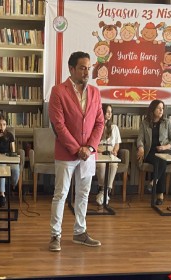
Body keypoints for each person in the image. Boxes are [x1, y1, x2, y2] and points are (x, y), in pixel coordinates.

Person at [48, 51, 104, 252]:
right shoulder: (58, 91)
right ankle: (55, 235)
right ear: (71, 69)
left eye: (89, 68)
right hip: (66, 153)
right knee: (61, 194)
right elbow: (58, 125)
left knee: (83, 194)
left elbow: (99, 122)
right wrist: (76, 149)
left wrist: (89, 148)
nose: (87, 72)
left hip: (88, 154)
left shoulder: (95, 92)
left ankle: (80, 232)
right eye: (82, 68)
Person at [136, 99, 171, 205]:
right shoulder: (145, 123)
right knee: (161, 161)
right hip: (151, 152)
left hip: (166, 150)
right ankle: (160, 195)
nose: (161, 110)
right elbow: (140, 139)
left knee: (162, 159)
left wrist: (164, 147)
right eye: (159, 108)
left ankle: (154, 183)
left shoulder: (167, 122)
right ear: (152, 109)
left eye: (162, 108)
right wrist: (141, 147)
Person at [95, 104, 122, 206]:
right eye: (107, 112)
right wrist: (99, 151)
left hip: (110, 150)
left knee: (113, 165)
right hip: (100, 150)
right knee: (102, 165)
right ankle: (102, 188)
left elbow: (117, 144)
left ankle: (106, 190)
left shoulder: (114, 127)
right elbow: (93, 143)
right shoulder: (96, 126)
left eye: (111, 112)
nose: (109, 114)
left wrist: (115, 151)